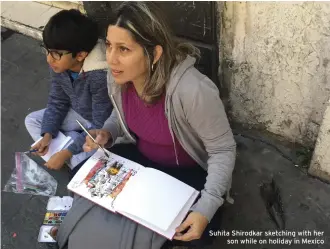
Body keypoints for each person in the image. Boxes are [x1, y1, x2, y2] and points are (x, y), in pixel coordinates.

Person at [56, 2, 236, 249]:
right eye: (108, 45)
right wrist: (107, 132)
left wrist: (207, 206)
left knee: (195, 234)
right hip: (141, 159)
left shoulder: (192, 90)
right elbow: (120, 117)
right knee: (81, 178)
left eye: (124, 49)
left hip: (185, 173)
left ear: (155, 53)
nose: (111, 58)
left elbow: (223, 150)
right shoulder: (118, 77)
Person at [24, 9, 112, 171]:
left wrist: (67, 153)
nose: (49, 58)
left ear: (80, 55)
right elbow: (58, 100)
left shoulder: (99, 76)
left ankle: (67, 151)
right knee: (32, 120)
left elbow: (101, 124)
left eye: (56, 54)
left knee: (84, 161)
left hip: (99, 123)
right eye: (47, 50)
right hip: (77, 112)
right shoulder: (59, 65)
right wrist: (48, 134)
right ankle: (66, 147)